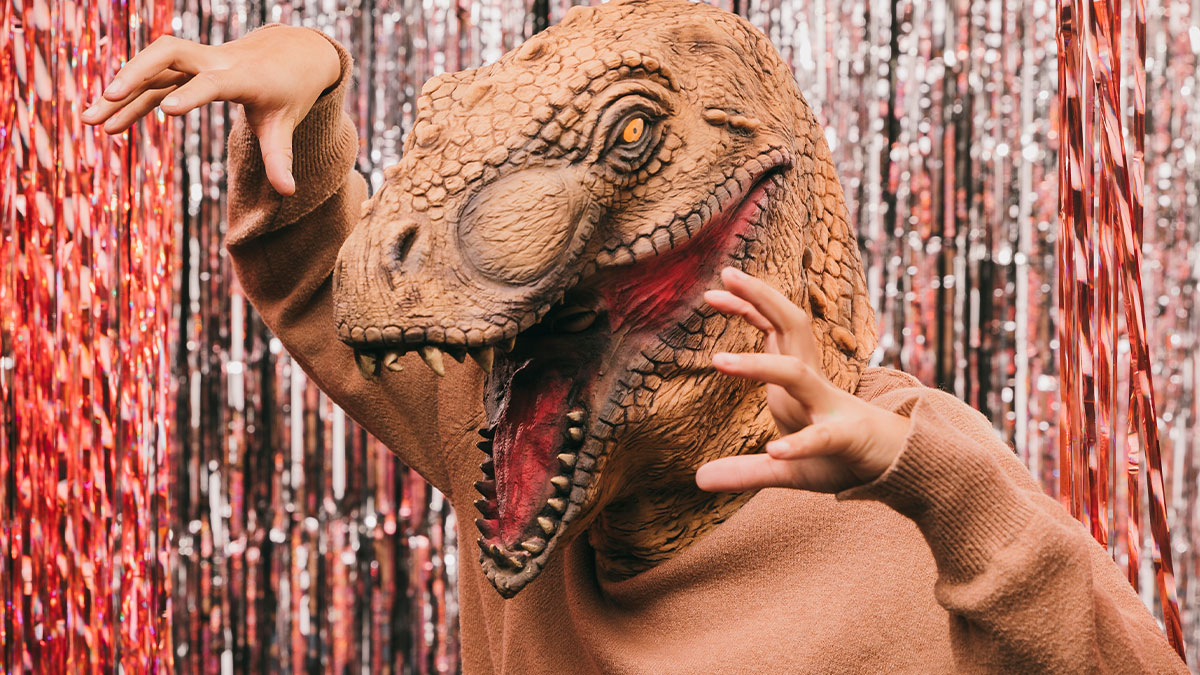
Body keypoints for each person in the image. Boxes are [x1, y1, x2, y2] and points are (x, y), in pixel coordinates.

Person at [84, 10, 1188, 673]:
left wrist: (930, 482)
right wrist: (313, 76)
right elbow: (329, 281)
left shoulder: (902, 472)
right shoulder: (508, 407)